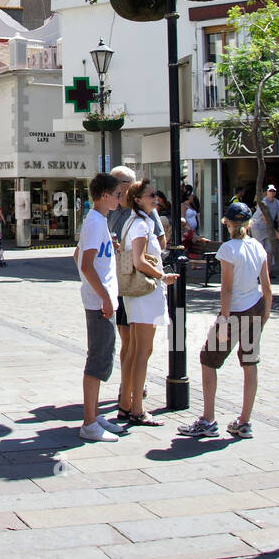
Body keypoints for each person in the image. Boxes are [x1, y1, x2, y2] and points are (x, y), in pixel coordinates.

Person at [178, 200, 272, 440]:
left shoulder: (228, 249)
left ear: (227, 223)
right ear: (249, 223)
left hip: (235, 312)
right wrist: (265, 316)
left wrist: (224, 322)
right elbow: (268, 288)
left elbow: (227, 289)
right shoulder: (258, 248)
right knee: (250, 364)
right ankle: (244, 421)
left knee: (208, 359)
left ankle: (208, 419)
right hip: (255, 308)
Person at [119, 178, 178, 426]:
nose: (155, 198)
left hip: (139, 294)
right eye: (150, 195)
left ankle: (127, 404)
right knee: (142, 351)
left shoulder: (134, 222)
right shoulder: (141, 224)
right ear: (138, 199)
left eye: (155, 195)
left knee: (136, 351)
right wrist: (162, 276)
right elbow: (140, 260)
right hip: (145, 292)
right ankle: (137, 408)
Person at [75, 171, 123, 443]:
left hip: (98, 298)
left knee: (102, 357)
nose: (119, 198)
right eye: (117, 194)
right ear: (104, 195)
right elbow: (85, 263)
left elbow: (78, 255)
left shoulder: (98, 222)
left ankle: (93, 414)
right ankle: (89, 422)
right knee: (98, 360)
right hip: (98, 302)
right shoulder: (95, 222)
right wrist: (103, 296)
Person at [106, 165, 137, 417]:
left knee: (135, 339)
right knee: (125, 336)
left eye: (116, 188)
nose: (114, 193)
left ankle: (132, 386)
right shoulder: (111, 211)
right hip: (117, 280)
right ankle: (128, 386)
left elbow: (158, 241)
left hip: (136, 280)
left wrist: (127, 250)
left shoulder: (142, 212)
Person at [249, 184, 279, 274]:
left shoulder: (277, 203)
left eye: (273, 191)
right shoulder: (263, 203)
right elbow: (265, 219)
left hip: (269, 228)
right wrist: (276, 233)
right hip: (258, 227)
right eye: (270, 191)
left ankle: (267, 272)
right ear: (266, 192)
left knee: (269, 250)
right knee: (260, 249)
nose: (272, 193)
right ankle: (258, 272)